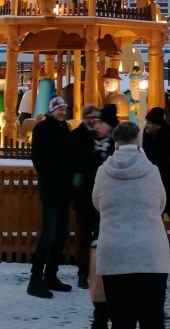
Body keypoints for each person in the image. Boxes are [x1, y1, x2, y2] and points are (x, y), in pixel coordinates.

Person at [92, 121, 169, 329]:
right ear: (139, 140)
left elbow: (97, 203)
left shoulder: (103, 171)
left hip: (115, 254)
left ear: (115, 142)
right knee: (152, 319)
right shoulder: (152, 170)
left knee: (121, 320)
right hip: (151, 254)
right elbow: (161, 204)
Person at [28, 95, 74, 298]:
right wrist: (52, 177)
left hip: (64, 190)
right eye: (59, 109)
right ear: (51, 110)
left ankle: (51, 275)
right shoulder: (42, 128)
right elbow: (38, 158)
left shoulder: (65, 129)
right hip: (50, 189)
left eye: (64, 109)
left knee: (62, 233)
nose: (62, 112)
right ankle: (35, 280)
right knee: (49, 233)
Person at [142, 106, 170, 290]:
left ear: (158, 125)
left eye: (149, 123)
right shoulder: (143, 139)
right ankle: (152, 270)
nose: (146, 126)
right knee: (151, 233)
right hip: (151, 192)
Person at [69, 104, 101, 288]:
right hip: (83, 192)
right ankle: (82, 272)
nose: (92, 120)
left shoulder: (101, 136)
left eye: (94, 117)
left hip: (100, 191)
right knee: (83, 234)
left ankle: (96, 271)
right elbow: (73, 163)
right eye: (88, 117)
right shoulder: (76, 136)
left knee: (99, 234)